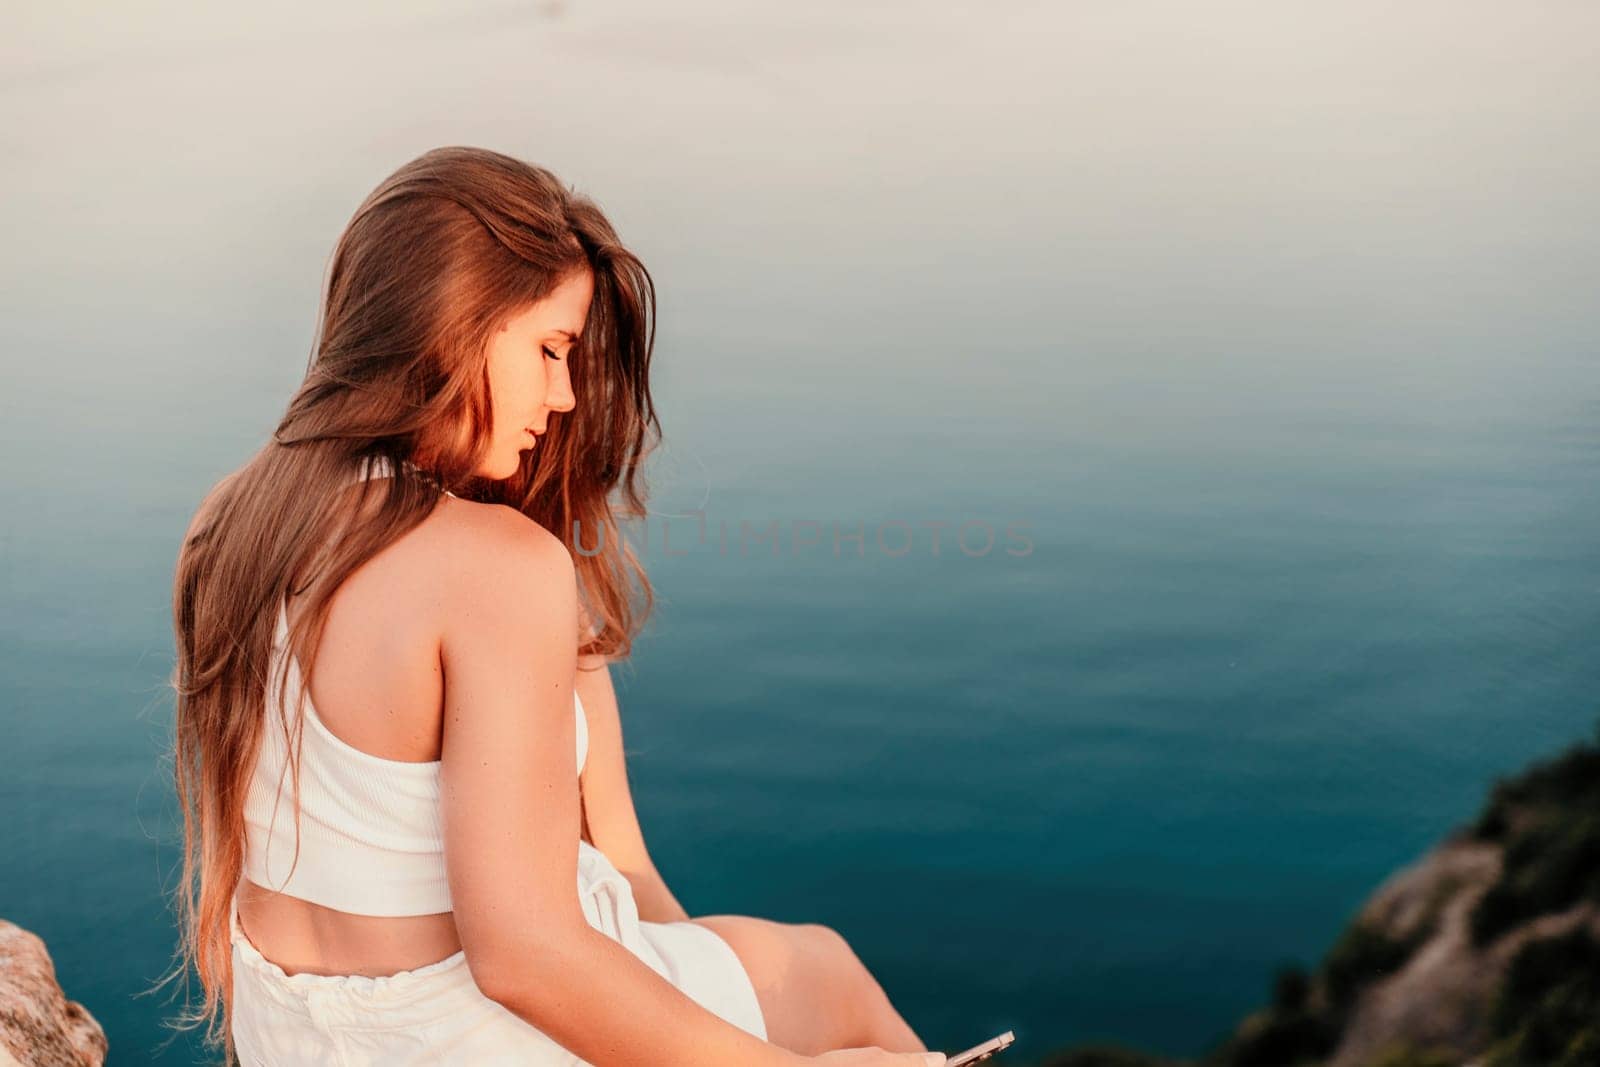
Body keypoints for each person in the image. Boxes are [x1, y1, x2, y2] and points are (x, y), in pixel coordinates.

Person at [164, 146, 945, 1067]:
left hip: (288, 1038)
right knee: (834, 979)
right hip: (474, 1038)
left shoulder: (228, 527)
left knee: (803, 971)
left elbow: (609, 863)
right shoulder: (495, 567)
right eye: (550, 349)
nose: (566, 395)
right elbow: (526, 958)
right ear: (454, 319)